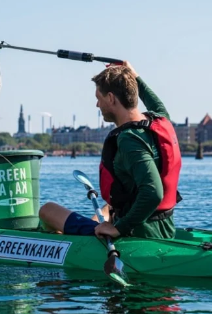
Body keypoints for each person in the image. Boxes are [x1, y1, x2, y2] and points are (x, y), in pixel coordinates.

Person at [39, 61, 182, 239]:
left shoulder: (130, 139)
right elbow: (157, 104)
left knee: (47, 210)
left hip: (137, 234)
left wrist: (119, 228)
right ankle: (93, 229)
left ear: (111, 98)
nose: (97, 105)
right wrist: (134, 75)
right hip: (163, 227)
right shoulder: (160, 120)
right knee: (109, 207)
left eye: (99, 98)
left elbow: (153, 193)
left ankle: (73, 241)